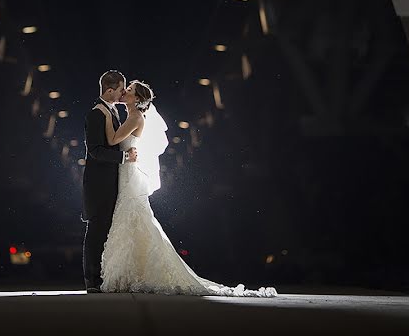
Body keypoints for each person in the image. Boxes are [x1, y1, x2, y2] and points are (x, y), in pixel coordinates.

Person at [98, 79, 278, 297]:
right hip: (127, 174)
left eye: (129, 90)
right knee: (134, 221)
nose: (125, 92)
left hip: (131, 178)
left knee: (134, 219)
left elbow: (114, 138)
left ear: (137, 98)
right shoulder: (131, 116)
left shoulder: (135, 117)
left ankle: (133, 273)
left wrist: (106, 113)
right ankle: (133, 273)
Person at [81, 70, 137, 293]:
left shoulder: (111, 110)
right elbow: (95, 151)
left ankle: (103, 277)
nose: (123, 93)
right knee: (96, 231)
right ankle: (91, 281)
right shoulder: (96, 113)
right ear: (110, 90)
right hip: (98, 184)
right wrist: (124, 157)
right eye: (121, 90)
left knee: (107, 231)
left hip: (111, 181)